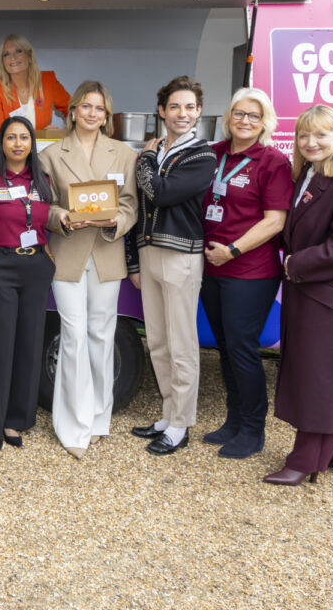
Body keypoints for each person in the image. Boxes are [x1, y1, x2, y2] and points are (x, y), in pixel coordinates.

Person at [265, 105, 333, 486]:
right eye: (303, 135)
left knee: (321, 378)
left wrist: (296, 264)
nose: (311, 142)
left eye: (321, 135)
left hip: (332, 297)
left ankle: (306, 459)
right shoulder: (307, 175)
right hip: (314, 294)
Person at [39, 81, 138, 459]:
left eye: (99, 108)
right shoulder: (50, 155)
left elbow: (130, 204)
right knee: (74, 334)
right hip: (67, 254)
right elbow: (41, 204)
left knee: (101, 334)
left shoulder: (123, 154)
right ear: (73, 111)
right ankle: (72, 425)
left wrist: (118, 222)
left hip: (107, 252)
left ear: (106, 115)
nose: (92, 114)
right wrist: (59, 216)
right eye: (86, 107)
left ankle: (99, 418)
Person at [199, 88, 292, 460]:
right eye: (239, 113)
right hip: (212, 267)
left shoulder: (272, 162)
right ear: (229, 116)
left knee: (241, 348)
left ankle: (253, 430)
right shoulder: (214, 154)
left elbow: (275, 222)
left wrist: (233, 250)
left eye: (254, 116)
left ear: (264, 122)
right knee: (224, 347)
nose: (245, 121)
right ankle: (233, 420)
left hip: (249, 271)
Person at [127, 76, 216, 455]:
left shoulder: (202, 155)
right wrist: (133, 260)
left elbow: (160, 194)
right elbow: (137, 205)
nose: (183, 113)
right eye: (175, 107)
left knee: (182, 343)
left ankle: (181, 424)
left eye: (191, 107)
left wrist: (145, 158)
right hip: (149, 253)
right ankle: (167, 413)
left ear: (198, 113)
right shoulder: (157, 149)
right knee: (159, 341)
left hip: (181, 255)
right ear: (161, 111)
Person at [0, 116, 55, 451]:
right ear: (1, 143)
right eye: (11, 137)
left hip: (35, 267)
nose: (18, 143)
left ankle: (16, 419)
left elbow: (45, 221)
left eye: (24, 138)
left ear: (32, 144)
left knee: (29, 346)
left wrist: (47, 256)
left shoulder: (41, 180)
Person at [0, 34, 70, 137]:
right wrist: (41, 134)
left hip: (43, 150)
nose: (13, 58)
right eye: (6, 54)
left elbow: (74, 109)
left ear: (29, 55)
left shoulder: (48, 80)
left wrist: (69, 131)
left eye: (18, 51)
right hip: (10, 151)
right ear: (2, 62)